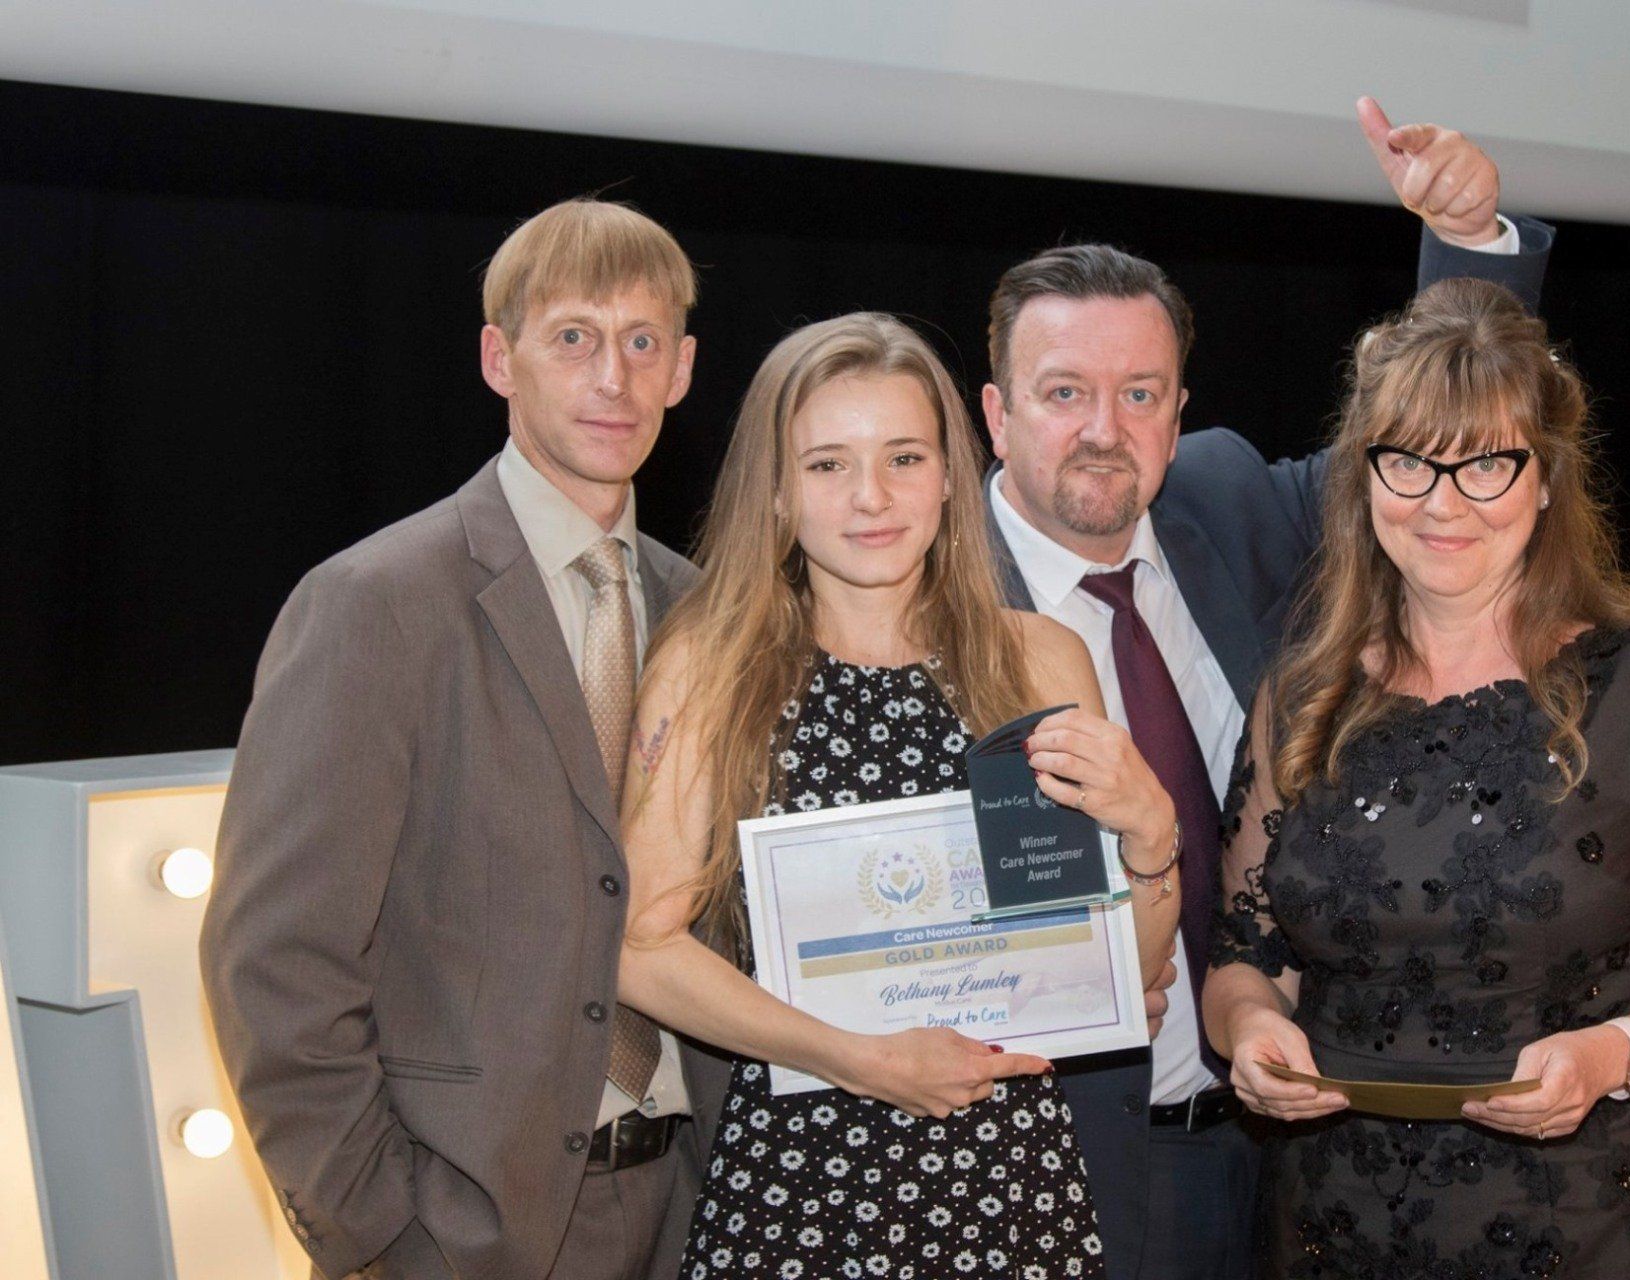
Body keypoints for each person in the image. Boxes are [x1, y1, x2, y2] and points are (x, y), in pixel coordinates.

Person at [979, 100, 1552, 1279]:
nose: (1104, 429)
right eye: (1063, 392)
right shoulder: (919, 600)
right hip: (1043, 1164)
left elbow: (1429, 452)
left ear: (1180, 413)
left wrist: (1467, 245)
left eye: (1142, 393)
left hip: (1286, 1153)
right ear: (996, 412)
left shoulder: (1229, 499)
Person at [1205, 277, 1630, 1278]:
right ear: (1362, 476)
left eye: (1485, 463)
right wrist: (1251, 1027)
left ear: (1547, 478)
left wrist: (1615, 1052)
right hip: (1331, 1217)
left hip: (1587, 1216)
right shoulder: (1300, 693)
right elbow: (1243, 956)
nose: (1441, 502)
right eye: (1408, 461)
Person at [201, 198, 716, 1279]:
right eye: (573, 337)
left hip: (694, 1208)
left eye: (642, 342)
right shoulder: (375, 603)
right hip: (466, 1231)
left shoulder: (710, 614)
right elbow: (277, 961)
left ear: (681, 370)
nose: (613, 378)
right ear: (498, 359)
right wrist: (384, 1231)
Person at [612, 312, 1184, 1279]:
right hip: (802, 1181)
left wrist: (1151, 836)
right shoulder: (711, 668)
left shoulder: (1041, 659)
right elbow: (639, 947)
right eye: (828, 464)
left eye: (905, 458)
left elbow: (1107, 975)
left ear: (951, 475)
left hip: (1009, 1179)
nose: (871, 497)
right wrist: (858, 1058)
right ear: (777, 489)